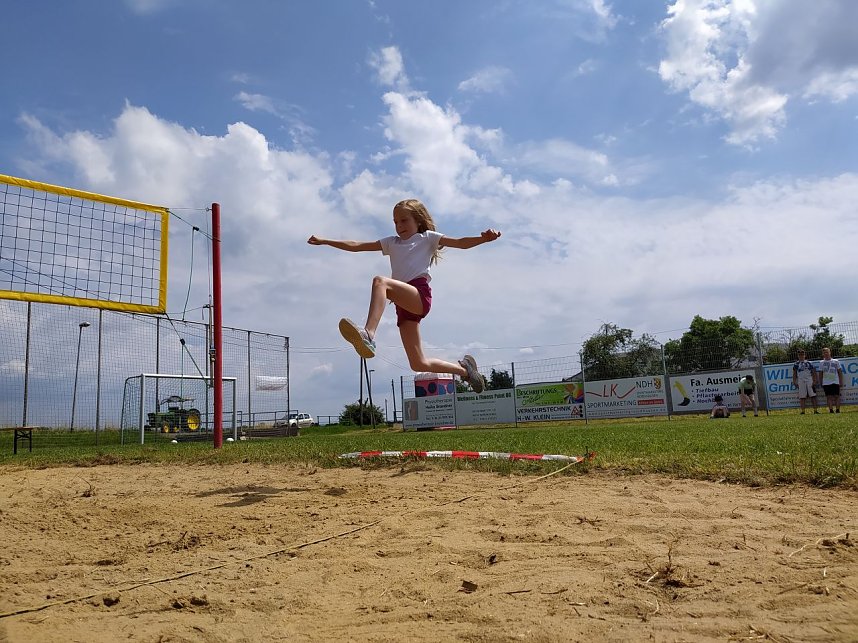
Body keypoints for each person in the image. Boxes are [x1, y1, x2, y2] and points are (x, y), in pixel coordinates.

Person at [308, 198, 501, 394]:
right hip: (403, 305)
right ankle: (465, 371)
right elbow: (357, 245)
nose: (399, 226)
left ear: (417, 220)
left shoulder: (428, 238)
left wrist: (483, 238)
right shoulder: (392, 243)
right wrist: (325, 241)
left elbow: (460, 243)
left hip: (418, 295)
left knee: (380, 282)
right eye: (395, 222)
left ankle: (368, 334)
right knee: (418, 363)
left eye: (404, 220)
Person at [818, 347, 845, 413]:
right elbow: (820, 373)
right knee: (828, 397)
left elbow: (840, 372)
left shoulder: (836, 361)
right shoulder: (821, 362)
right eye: (824, 352)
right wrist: (821, 382)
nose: (826, 353)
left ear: (830, 352)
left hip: (835, 381)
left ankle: (838, 410)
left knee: (837, 396)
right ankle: (831, 410)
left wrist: (841, 381)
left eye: (827, 352)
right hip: (826, 382)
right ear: (823, 354)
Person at [792, 349, 819, 414]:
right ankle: (803, 411)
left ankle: (815, 410)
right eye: (800, 355)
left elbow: (814, 372)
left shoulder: (809, 363)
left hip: (809, 380)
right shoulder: (796, 364)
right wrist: (794, 381)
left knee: (813, 395)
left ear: (805, 355)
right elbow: (794, 373)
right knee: (802, 396)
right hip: (801, 381)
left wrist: (815, 380)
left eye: (802, 354)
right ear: (798, 356)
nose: (801, 356)